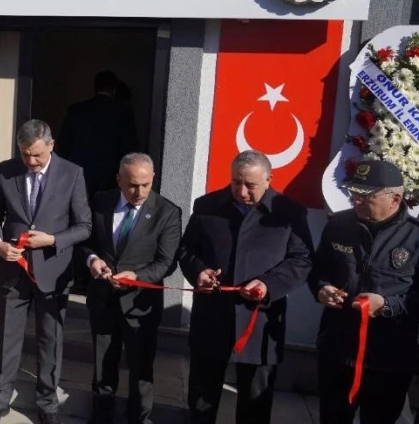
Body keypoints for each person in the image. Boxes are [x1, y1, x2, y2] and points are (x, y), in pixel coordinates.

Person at [177, 150, 313, 424]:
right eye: (235, 182)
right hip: (213, 315)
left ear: (268, 180)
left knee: (255, 399)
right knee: (202, 395)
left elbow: (302, 259)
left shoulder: (288, 212)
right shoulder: (207, 205)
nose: (241, 191)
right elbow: (187, 249)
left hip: (260, 318)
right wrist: (198, 271)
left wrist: (268, 283)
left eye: (250, 185)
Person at [0, 119, 92, 424]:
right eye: (25, 154)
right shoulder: (7, 170)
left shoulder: (72, 174)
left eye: (37, 156)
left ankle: (46, 402)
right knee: (7, 338)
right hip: (13, 270)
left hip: (53, 272)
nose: (31, 161)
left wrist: (53, 240)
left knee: (50, 340)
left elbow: (84, 226)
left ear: (51, 146)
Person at [309, 160, 419, 424]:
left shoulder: (414, 238)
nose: (356, 200)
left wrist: (388, 305)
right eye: (353, 193)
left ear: (394, 199)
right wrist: (322, 289)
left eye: (365, 195)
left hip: (387, 360)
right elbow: (317, 271)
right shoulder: (338, 226)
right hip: (338, 351)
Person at [83, 153, 181, 424]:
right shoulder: (101, 201)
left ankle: (139, 418)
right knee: (103, 365)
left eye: (145, 185)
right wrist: (93, 260)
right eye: (132, 185)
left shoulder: (167, 212)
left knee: (140, 369)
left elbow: (167, 262)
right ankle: (101, 416)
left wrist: (136, 275)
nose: (139, 192)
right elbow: (86, 241)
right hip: (103, 298)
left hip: (140, 303)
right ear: (119, 180)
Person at [56, 71, 138, 198]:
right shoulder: (123, 113)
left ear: (95, 87)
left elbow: (62, 146)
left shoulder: (76, 110)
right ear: (114, 90)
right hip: (110, 178)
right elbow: (130, 149)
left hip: (79, 174)